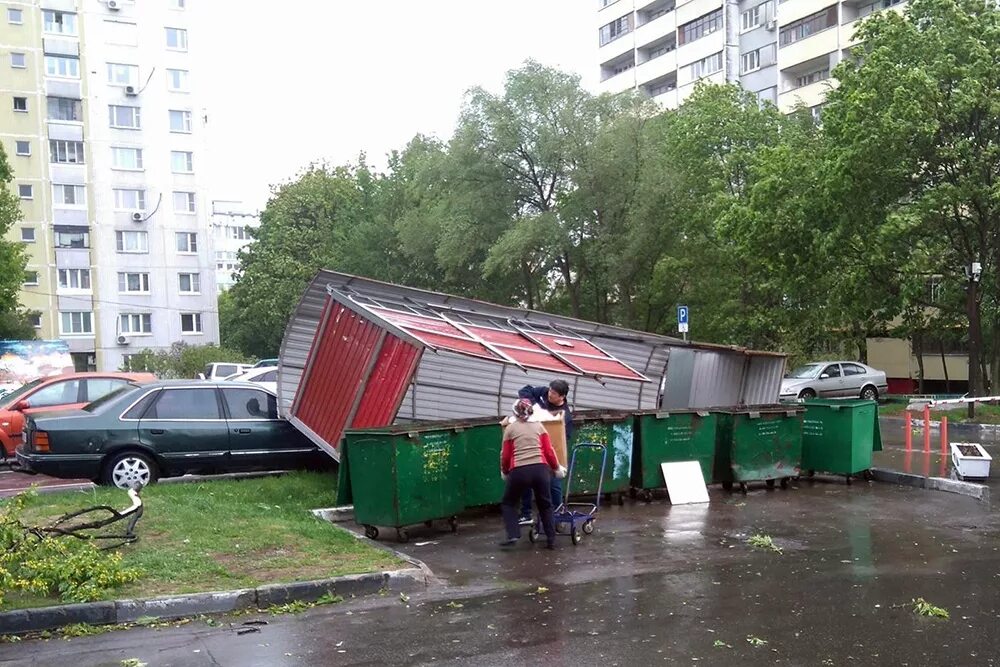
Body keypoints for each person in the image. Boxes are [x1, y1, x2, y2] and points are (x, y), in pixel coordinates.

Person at [499, 399, 566, 549]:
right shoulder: (539, 426)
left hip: (519, 471)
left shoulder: (510, 429)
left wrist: (505, 471)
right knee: (545, 505)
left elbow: (506, 455)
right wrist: (556, 468)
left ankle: (513, 535)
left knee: (508, 503)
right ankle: (551, 540)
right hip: (540, 470)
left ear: (515, 412)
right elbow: (549, 451)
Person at [517, 380, 573, 525]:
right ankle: (526, 513)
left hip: (551, 451)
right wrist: (530, 402)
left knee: (554, 482)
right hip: (532, 448)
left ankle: (558, 512)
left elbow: (564, 438)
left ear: (562, 397)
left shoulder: (564, 415)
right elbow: (525, 390)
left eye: (554, 393)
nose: (550, 394)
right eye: (550, 391)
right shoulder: (543, 393)